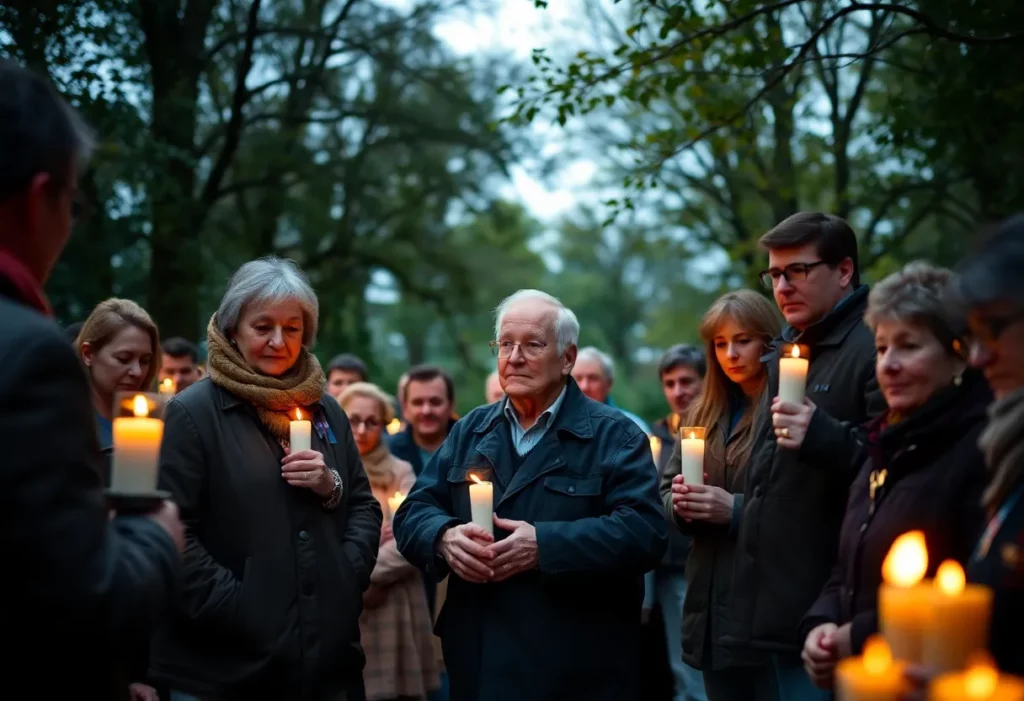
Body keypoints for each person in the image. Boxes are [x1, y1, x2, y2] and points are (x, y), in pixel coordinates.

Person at [0, 58, 182, 699]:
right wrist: (153, 536)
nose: (136, 372)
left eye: (145, 360)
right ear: (35, 197)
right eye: (72, 202)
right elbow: (78, 600)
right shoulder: (25, 358)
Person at [393, 289, 668, 701]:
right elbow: (414, 511)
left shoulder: (616, 435)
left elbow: (645, 532)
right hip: (480, 658)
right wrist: (444, 537)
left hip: (576, 663)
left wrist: (545, 544)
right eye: (505, 344)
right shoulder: (471, 429)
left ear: (568, 358)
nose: (514, 357)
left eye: (533, 344)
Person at [151, 256, 382, 700]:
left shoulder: (326, 409)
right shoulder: (194, 412)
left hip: (325, 663)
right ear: (234, 328)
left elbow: (363, 505)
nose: (279, 341)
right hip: (227, 668)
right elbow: (174, 531)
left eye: (292, 328)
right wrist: (244, 607)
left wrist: (343, 573)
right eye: (263, 327)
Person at [797, 262, 990, 690]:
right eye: (882, 349)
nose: (889, 365)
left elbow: (969, 586)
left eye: (908, 346)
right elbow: (846, 566)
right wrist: (821, 624)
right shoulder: (883, 445)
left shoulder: (978, 451)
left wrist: (859, 636)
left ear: (959, 353)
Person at [728, 212, 885, 700]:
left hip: (833, 607)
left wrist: (823, 435)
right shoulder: (787, 352)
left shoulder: (876, 346)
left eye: (797, 271)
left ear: (843, 271)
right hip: (779, 602)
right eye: (774, 275)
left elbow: (894, 469)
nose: (782, 286)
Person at [662, 291, 781, 700]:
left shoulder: (787, 410)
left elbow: (804, 507)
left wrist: (732, 509)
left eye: (742, 340)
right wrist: (678, 503)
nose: (730, 353)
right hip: (708, 604)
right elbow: (665, 486)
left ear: (768, 341)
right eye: (720, 343)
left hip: (765, 603)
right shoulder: (701, 413)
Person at [339, 382, 441, 701]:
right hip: (341, 608)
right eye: (353, 420)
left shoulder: (400, 472)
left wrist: (352, 571)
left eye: (372, 422)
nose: (362, 429)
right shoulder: (324, 469)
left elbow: (409, 539)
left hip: (392, 604)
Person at [650, 343, 708, 701]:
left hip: (700, 559)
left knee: (699, 668)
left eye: (687, 381)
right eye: (670, 383)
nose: (678, 391)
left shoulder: (713, 432)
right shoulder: (657, 439)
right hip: (665, 565)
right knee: (677, 663)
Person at [76, 298, 160, 456]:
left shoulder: (154, 426)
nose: (137, 372)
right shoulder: (64, 425)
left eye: (145, 361)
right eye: (123, 358)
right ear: (88, 354)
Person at [390, 365, 458, 478]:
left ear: (451, 405)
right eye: (418, 403)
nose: (426, 411)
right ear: (405, 408)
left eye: (435, 402)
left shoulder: (472, 448)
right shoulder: (389, 454)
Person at [573, 346, 651, 432]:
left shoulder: (632, 428)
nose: (584, 386)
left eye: (593, 378)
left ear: (609, 384)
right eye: (578, 378)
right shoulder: (558, 422)